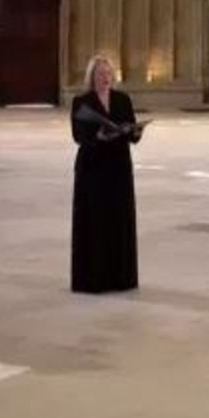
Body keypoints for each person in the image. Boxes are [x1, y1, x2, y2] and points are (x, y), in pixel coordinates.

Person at [70, 55, 142, 293]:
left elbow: (131, 134)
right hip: (93, 168)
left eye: (109, 74)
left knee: (118, 220)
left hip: (118, 168)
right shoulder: (82, 102)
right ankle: (93, 279)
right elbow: (78, 136)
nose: (105, 78)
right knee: (94, 221)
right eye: (101, 74)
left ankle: (121, 278)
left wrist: (135, 131)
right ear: (92, 77)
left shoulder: (123, 99)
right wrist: (97, 137)